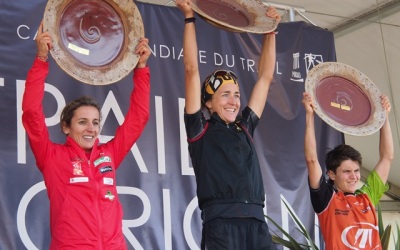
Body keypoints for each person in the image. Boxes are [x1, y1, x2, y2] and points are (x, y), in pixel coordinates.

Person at [22, 22, 151, 249]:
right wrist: (41, 60)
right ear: (65, 127)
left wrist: (141, 69)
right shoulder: (52, 156)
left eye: (95, 122)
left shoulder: (109, 154)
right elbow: (32, 113)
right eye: (82, 122)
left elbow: (138, 118)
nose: (91, 129)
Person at [176, 0, 281, 249]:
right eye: (225, 94)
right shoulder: (199, 128)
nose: (234, 101)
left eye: (236, 94)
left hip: (256, 223)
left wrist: (270, 31)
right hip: (220, 224)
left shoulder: (245, 126)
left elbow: (265, 78)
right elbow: (191, 70)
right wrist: (190, 18)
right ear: (209, 103)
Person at [302, 92, 394, 249]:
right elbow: (311, 160)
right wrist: (309, 116)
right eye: (346, 171)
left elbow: (387, 157)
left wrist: (384, 117)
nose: (354, 176)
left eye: (356, 171)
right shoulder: (327, 200)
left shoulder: (367, 197)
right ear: (331, 174)